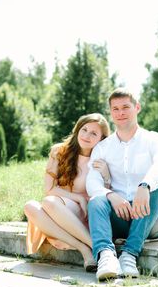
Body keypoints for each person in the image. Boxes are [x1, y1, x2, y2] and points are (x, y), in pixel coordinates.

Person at [86, 88, 158, 280]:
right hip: (121, 216)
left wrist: (145, 185)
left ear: (137, 108)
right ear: (111, 112)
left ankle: (129, 255)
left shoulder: (153, 139)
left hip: (152, 220)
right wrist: (111, 195)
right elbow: (92, 181)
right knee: (96, 200)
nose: (121, 113)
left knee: (157, 187)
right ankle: (106, 257)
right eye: (115, 109)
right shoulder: (103, 147)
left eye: (126, 107)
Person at [24, 113, 110, 272]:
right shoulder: (59, 151)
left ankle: (96, 248)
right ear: (77, 129)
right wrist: (78, 197)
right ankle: (88, 247)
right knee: (30, 206)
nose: (87, 136)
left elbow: (107, 192)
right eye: (84, 129)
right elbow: (49, 189)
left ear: (102, 139)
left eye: (94, 133)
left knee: (49, 202)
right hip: (60, 206)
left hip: (83, 213)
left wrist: (106, 174)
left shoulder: (102, 159)